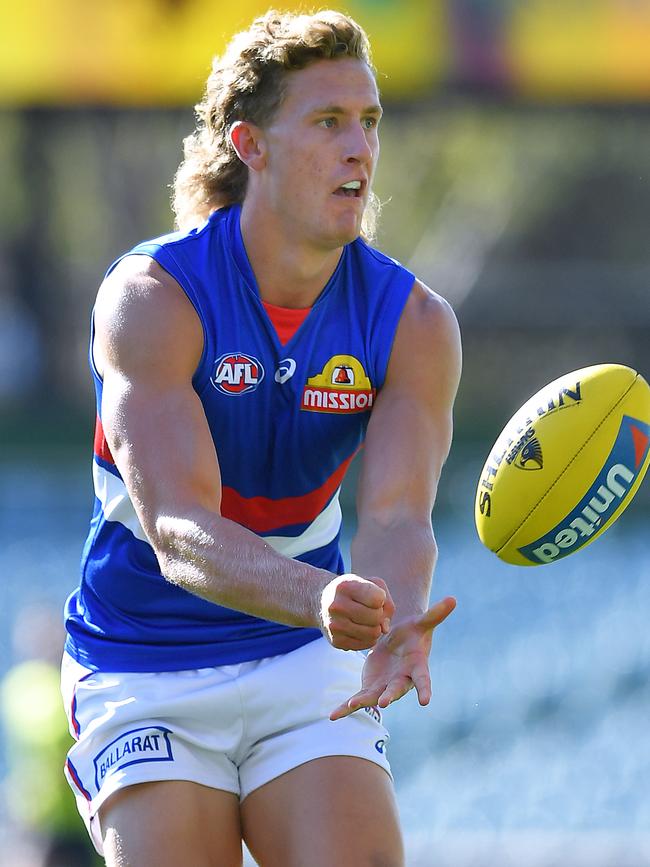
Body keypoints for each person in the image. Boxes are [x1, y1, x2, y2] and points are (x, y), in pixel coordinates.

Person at [60, 9, 461, 866]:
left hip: (300, 659)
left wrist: (389, 611)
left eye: (370, 122)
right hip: (145, 659)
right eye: (328, 122)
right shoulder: (154, 295)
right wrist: (320, 597)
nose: (360, 148)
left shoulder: (415, 322)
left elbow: (397, 515)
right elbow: (178, 532)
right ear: (251, 143)